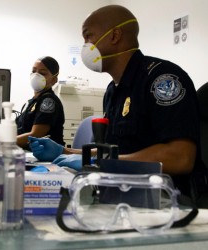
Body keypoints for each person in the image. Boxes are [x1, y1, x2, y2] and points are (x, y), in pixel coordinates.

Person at [29, 5, 208, 203]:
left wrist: (96, 162)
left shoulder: (162, 79)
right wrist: (65, 151)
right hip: (123, 193)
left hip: (165, 201)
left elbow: (180, 158)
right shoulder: (114, 90)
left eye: (88, 36)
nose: (85, 46)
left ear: (114, 36)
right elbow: (117, 151)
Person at [16, 56, 65, 149]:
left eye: (42, 73)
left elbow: (36, 135)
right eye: (34, 71)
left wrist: (5, 142)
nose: (36, 76)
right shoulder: (33, 101)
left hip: (47, 156)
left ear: (54, 79)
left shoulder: (48, 101)